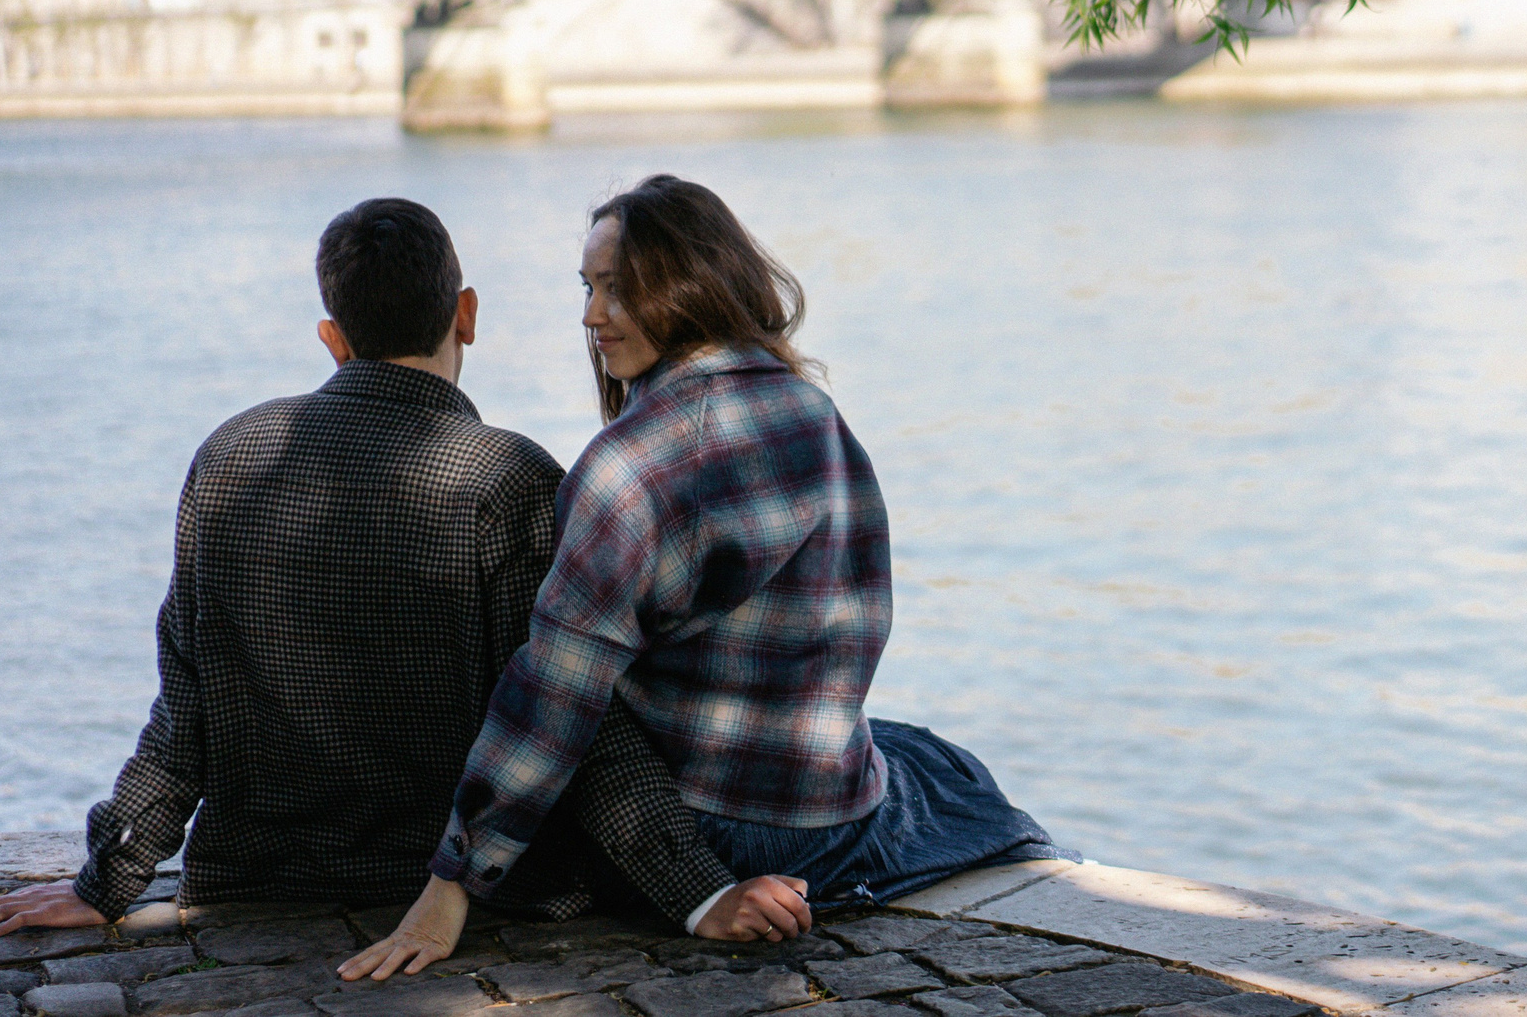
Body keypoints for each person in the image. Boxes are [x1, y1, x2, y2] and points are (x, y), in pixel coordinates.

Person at [0, 198, 803, 943]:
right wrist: (702, 893)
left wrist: (108, 879)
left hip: (260, 879)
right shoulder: (509, 480)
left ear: (331, 336)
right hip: (466, 894)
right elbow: (573, 714)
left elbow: (184, 704)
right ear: (466, 314)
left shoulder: (229, 457)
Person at [345, 176, 1060, 980]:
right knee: (939, 764)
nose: (590, 314)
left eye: (618, 288)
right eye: (588, 287)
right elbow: (860, 625)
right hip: (820, 816)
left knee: (922, 757)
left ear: (690, 284)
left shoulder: (629, 465)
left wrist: (452, 881)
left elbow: (553, 689)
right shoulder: (811, 411)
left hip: (694, 824)